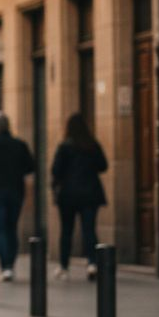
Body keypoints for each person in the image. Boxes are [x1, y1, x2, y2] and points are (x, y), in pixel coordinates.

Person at [0, 110, 36, 282]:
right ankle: (10, 262)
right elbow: (30, 170)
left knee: (0, 229)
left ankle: (6, 266)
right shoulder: (20, 145)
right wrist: (29, 196)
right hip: (16, 193)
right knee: (11, 228)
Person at [51, 113, 109, 280]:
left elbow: (56, 171)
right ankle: (92, 263)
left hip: (68, 195)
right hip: (90, 194)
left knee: (66, 231)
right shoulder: (92, 145)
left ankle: (64, 267)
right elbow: (103, 165)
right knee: (89, 230)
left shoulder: (64, 147)